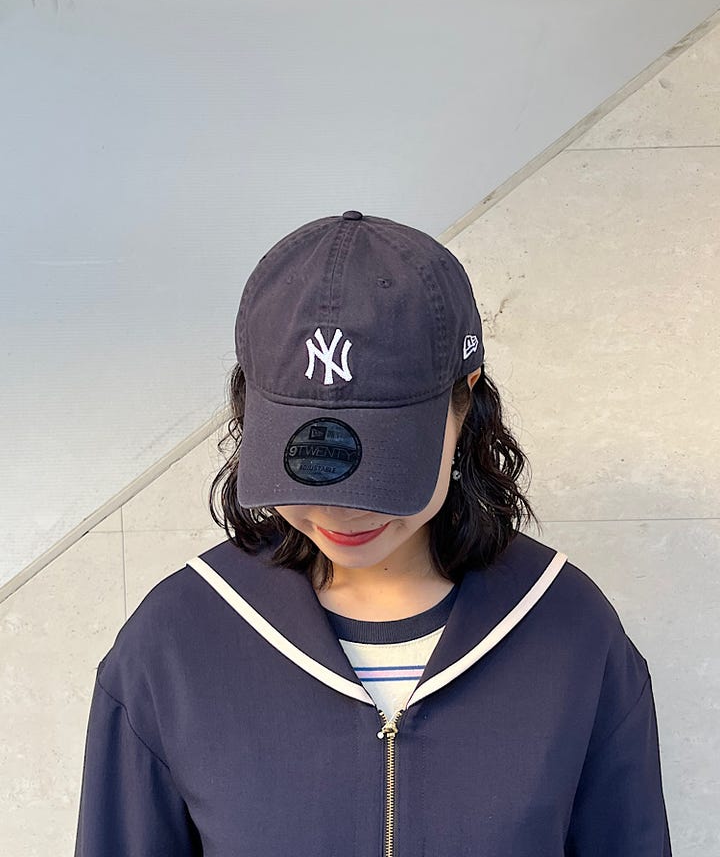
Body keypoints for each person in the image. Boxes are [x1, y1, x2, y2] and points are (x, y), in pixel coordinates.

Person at [74, 210, 673, 856]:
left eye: (383, 464)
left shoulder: (570, 628)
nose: (341, 513)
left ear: (465, 398)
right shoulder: (174, 643)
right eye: (310, 458)